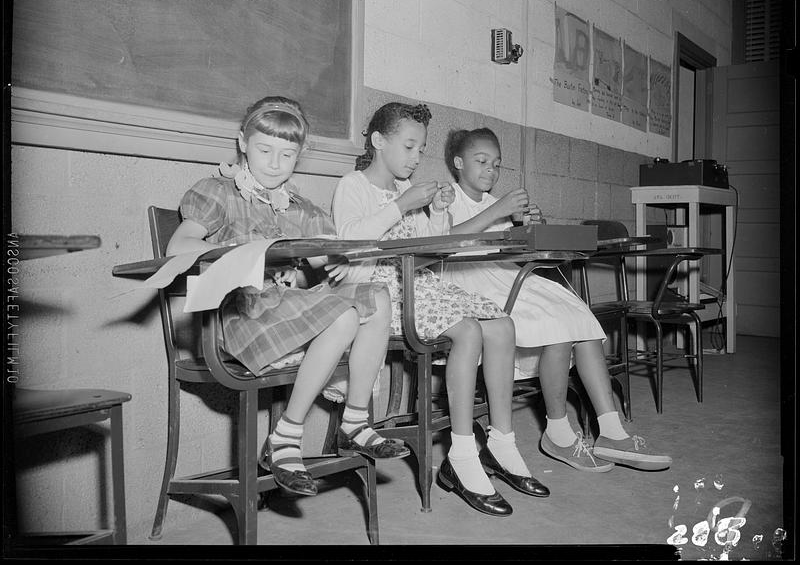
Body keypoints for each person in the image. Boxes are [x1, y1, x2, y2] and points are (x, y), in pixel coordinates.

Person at [166, 96, 409, 498]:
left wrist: (337, 260)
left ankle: (354, 421)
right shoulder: (218, 192)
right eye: (264, 150)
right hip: (240, 313)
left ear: (300, 154)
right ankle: (286, 436)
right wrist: (244, 255)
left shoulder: (298, 206)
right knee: (344, 316)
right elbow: (179, 247)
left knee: (377, 297)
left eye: (287, 154)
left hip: (286, 307)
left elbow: (325, 252)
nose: (275, 163)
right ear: (242, 143)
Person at [331, 102, 549, 518]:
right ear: (378, 142)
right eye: (410, 147)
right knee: (467, 331)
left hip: (419, 285)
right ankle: (462, 454)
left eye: (421, 149)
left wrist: (434, 213)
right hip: (376, 293)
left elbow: (432, 254)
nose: (416, 158)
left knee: (501, 324)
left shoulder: (405, 192)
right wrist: (403, 205)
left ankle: (502, 443)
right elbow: (350, 247)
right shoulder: (352, 185)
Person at [442, 127, 672, 472]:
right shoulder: (447, 197)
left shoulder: (496, 205)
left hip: (505, 276)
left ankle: (610, 430)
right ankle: (559, 433)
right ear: (458, 163)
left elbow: (515, 252)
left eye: (497, 164)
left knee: (579, 316)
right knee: (557, 324)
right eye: (482, 161)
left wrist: (532, 228)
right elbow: (446, 242)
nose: (491, 169)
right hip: (471, 284)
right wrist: (501, 212)